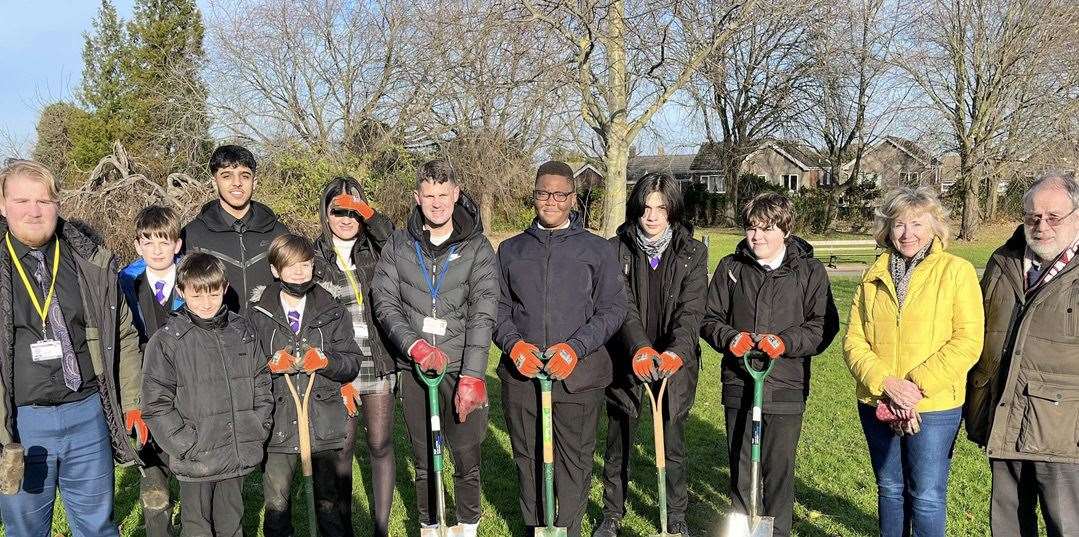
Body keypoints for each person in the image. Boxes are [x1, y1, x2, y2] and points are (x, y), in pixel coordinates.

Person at [0, 159, 143, 537]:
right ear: (2, 205)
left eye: (44, 201)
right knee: (24, 529)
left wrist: (131, 402)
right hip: (21, 425)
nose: (34, 210)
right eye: (22, 200)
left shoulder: (89, 260)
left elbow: (124, 334)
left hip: (87, 413)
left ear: (58, 204)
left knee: (97, 526)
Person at [493, 160, 627, 537]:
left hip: (578, 378)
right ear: (533, 195)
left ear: (572, 199)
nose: (550, 200)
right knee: (528, 459)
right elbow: (497, 308)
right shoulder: (510, 250)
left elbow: (614, 308)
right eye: (542, 193)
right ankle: (537, 528)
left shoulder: (596, 250)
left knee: (574, 461)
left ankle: (567, 530)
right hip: (524, 377)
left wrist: (575, 348)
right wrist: (514, 344)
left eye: (559, 194)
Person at [844, 187, 983, 537]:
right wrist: (887, 384)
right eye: (899, 224)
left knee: (927, 495)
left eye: (917, 224)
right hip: (878, 401)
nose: (907, 234)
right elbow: (854, 340)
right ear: (887, 229)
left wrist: (914, 388)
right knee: (890, 489)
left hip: (933, 407)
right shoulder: (872, 275)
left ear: (935, 227)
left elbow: (967, 341)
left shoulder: (957, 272)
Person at [370, 159, 498, 536]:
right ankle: (430, 526)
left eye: (444, 195)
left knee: (465, 454)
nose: (437, 203)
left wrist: (473, 375)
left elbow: (484, 310)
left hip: (460, 366)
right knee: (425, 457)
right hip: (417, 370)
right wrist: (414, 347)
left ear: (456, 194)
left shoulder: (477, 246)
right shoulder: (398, 243)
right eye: (429, 195)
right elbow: (384, 300)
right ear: (417, 197)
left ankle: (468, 526)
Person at [700, 191, 838, 537]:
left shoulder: (809, 271)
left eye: (767, 228)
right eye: (751, 228)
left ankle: (777, 532)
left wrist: (786, 342)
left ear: (785, 230)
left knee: (778, 472)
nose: (757, 236)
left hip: (786, 387)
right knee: (742, 468)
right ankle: (743, 527)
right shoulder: (731, 269)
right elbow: (707, 317)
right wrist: (731, 338)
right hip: (740, 384)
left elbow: (823, 325)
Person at [964, 173, 1079, 537]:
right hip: (1004, 413)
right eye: (1032, 217)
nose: (1041, 225)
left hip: (1063, 431)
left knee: (1067, 524)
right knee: (1008, 525)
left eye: (1053, 217)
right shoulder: (1004, 260)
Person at [594, 174, 708, 537]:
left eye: (661, 207)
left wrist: (676, 351)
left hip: (674, 360)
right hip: (627, 356)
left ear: (672, 210)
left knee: (672, 439)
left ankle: (676, 516)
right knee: (620, 438)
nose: (652, 216)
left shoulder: (693, 252)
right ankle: (612, 512)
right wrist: (639, 347)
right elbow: (621, 304)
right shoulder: (617, 249)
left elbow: (692, 311)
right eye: (645, 207)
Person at [141, 253, 273, 537]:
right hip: (196, 456)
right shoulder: (168, 340)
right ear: (181, 292)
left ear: (224, 288)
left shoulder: (243, 331)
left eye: (213, 293)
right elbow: (155, 403)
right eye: (197, 295)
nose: (206, 302)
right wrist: (185, 444)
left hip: (235, 452)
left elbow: (261, 380)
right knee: (197, 526)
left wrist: (256, 425)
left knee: (232, 524)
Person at [249, 234, 361, 537]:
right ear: (275, 270)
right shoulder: (258, 313)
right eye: (291, 266)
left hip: (322, 422)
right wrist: (269, 366)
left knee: (329, 504)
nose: (300, 273)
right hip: (279, 425)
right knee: (277, 504)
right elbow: (245, 367)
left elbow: (351, 359)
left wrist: (326, 361)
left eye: (306, 265)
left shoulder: (331, 309)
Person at [312, 176, 397, 537]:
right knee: (342, 451)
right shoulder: (313, 256)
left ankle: (380, 529)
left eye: (354, 211)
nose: (346, 219)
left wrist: (371, 216)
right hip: (340, 363)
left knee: (379, 444)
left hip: (376, 358)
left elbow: (399, 242)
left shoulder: (376, 249)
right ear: (325, 213)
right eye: (338, 211)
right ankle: (342, 530)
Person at [118, 205, 186, 537]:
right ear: (137, 245)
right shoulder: (125, 283)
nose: (157, 250)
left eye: (164, 242)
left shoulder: (194, 280)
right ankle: (158, 526)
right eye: (148, 242)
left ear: (177, 244)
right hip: (145, 383)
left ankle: (193, 524)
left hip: (186, 385)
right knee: (152, 468)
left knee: (186, 462)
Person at [181, 144, 288, 314]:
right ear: (214, 182)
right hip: (216, 336)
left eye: (245, 176)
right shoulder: (192, 235)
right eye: (226, 176)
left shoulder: (279, 233)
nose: (237, 183)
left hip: (269, 336)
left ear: (255, 182)